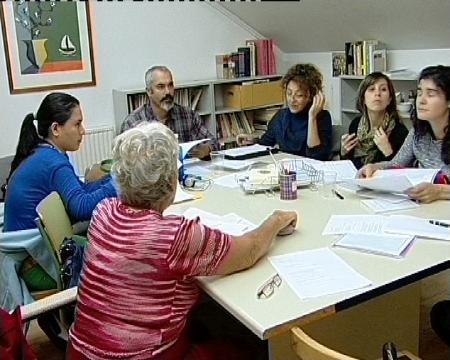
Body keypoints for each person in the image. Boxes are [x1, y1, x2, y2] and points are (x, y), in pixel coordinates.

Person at [68, 122, 298, 359]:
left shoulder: (102, 212)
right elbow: (249, 251)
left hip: (81, 352)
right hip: (144, 356)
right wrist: (277, 219)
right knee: (252, 348)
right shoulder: (174, 237)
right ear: (170, 182)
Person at [3, 92, 117, 290]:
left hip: (31, 254)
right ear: (56, 128)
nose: (83, 131)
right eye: (77, 124)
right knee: (115, 263)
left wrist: (110, 179)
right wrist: (119, 183)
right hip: (36, 264)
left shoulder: (45, 153)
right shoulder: (53, 162)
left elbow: (80, 191)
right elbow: (80, 207)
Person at [359, 65, 450, 203]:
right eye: (419, 93)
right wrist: (374, 167)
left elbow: (437, 190)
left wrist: (439, 191)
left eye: (430, 94)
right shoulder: (418, 133)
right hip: (420, 209)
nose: (421, 100)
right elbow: (396, 164)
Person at [238, 63, 332, 160]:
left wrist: (312, 117)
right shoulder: (281, 116)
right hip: (286, 170)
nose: (292, 99)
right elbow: (264, 144)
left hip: (310, 171)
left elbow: (317, 157)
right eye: (289, 93)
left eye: (299, 95)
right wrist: (251, 141)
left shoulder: (322, 117)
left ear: (310, 96)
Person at [120, 65, 217, 159]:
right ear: (149, 91)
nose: (167, 92)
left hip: (185, 172)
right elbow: (124, 161)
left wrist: (207, 148)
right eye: (161, 87)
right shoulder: (133, 122)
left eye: (170, 85)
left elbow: (213, 141)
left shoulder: (188, 115)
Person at [340, 72, 408, 169]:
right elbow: (348, 166)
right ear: (363, 98)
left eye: (383, 89)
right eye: (372, 89)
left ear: (389, 99)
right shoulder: (355, 124)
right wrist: (343, 153)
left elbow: (403, 172)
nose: (377, 94)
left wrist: (388, 152)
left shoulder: (400, 131)